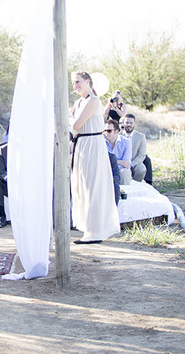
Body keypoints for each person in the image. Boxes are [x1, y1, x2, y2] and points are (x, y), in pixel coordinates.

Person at [69, 71, 120, 244]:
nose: (75, 85)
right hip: (81, 144)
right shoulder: (78, 102)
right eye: (73, 82)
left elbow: (75, 125)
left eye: (78, 81)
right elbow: (75, 128)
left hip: (92, 144)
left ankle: (95, 231)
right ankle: (88, 228)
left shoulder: (93, 101)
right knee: (81, 186)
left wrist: (69, 116)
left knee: (92, 186)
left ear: (88, 81)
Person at [120, 113, 152, 184]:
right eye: (127, 122)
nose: (129, 125)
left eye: (131, 123)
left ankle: (135, 185)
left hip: (135, 162)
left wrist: (131, 164)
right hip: (122, 162)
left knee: (141, 169)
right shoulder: (118, 136)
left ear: (134, 124)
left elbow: (142, 155)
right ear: (123, 123)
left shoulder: (140, 137)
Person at [103, 119, 133, 185]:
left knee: (125, 172)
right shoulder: (101, 142)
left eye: (109, 131)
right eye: (104, 131)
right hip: (105, 169)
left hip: (120, 170)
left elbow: (126, 164)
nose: (106, 133)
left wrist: (110, 161)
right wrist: (119, 162)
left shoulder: (126, 142)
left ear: (116, 131)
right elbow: (101, 161)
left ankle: (124, 193)